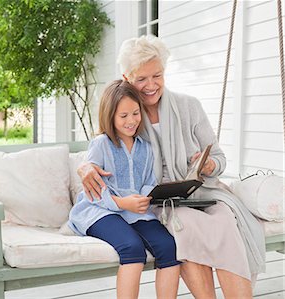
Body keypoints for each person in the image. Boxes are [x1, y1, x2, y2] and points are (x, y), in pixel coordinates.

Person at [78, 35, 266, 298]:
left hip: (202, 192)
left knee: (226, 221)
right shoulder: (129, 114)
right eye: (141, 79)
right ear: (126, 77)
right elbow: (105, 148)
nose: (150, 85)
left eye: (157, 75)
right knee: (185, 227)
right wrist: (85, 166)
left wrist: (209, 164)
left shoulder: (189, 106)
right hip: (160, 202)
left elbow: (220, 159)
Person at [68, 80, 181, 299]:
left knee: (169, 246)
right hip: (100, 211)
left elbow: (149, 180)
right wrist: (121, 203)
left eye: (136, 113)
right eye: (123, 116)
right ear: (110, 116)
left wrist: (147, 197)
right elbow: (94, 189)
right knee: (132, 248)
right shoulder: (101, 144)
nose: (131, 121)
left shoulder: (146, 148)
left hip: (135, 212)